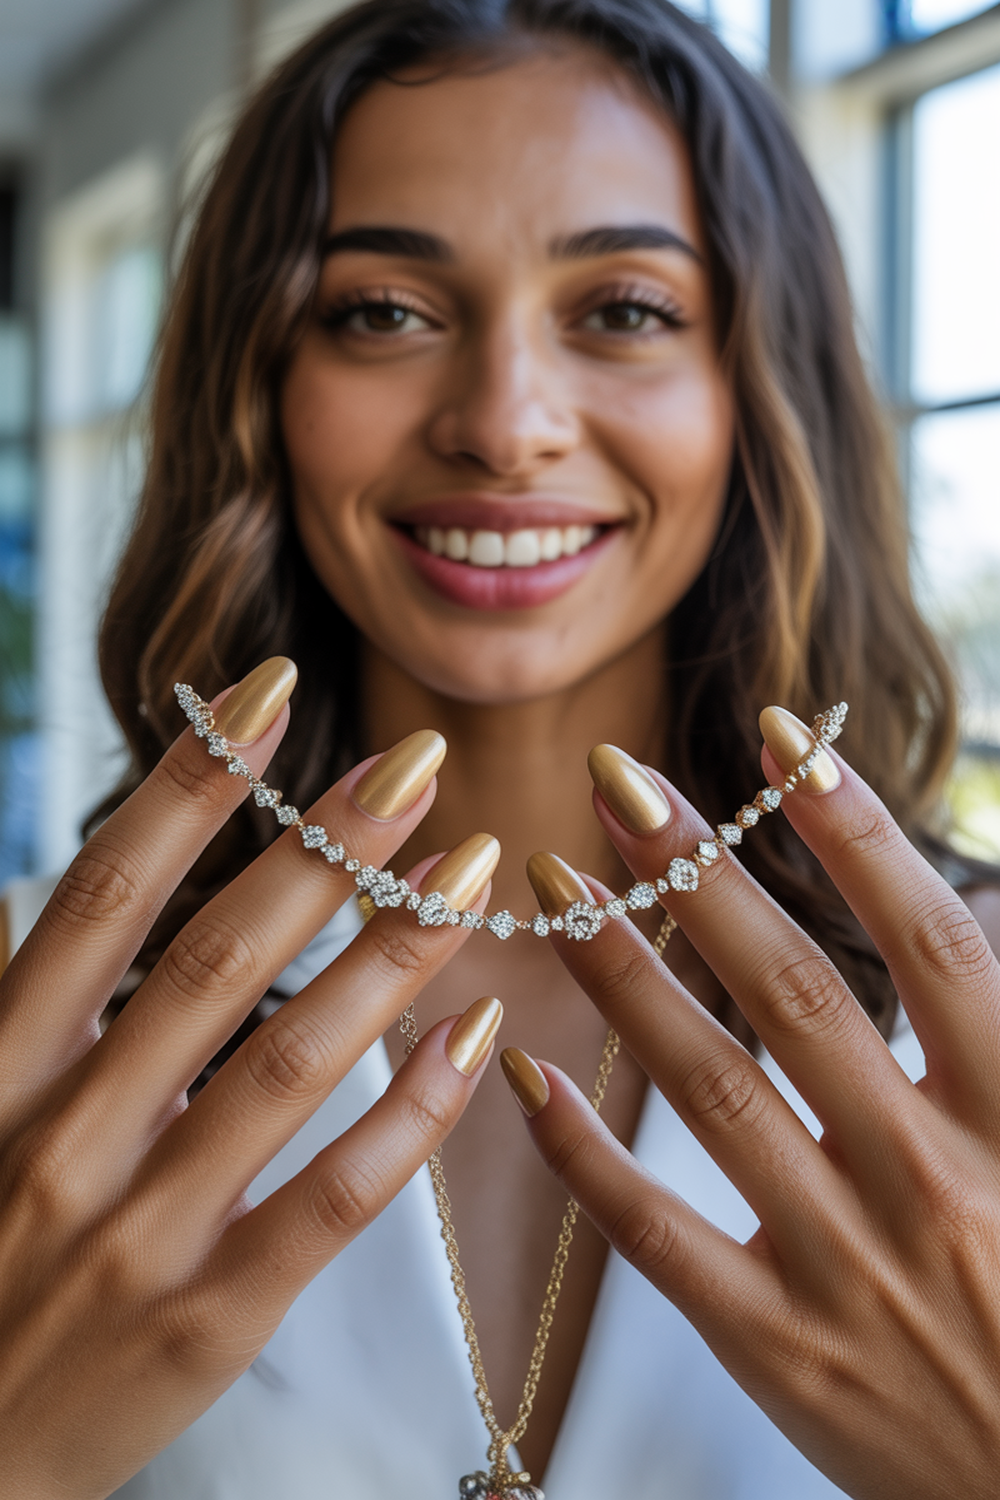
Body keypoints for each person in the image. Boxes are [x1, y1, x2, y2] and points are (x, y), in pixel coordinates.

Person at [3, 0, 1000, 1495]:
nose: (505, 424)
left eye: (625, 309)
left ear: (758, 384)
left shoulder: (982, 1019)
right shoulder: (28, 1040)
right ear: (260, 387)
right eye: (384, 311)